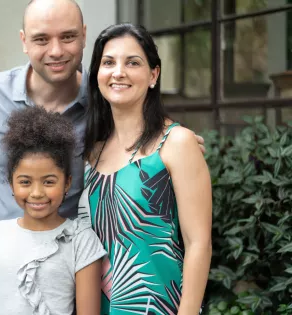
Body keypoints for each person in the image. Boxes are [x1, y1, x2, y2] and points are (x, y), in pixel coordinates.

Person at [0, 0, 205, 313]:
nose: (56, 51)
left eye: (67, 37)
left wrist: (178, 144)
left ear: (84, 36)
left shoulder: (103, 106)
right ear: (24, 41)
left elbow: (140, 128)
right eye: (42, 39)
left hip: (71, 286)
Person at [78, 23, 212, 314]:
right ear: (97, 75)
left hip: (162, 306)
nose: (118, 72)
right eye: (108, 62)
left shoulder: (177, 143)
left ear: (154, 75)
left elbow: (198, 243)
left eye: (133, 63)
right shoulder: (92, 153)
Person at [0, 106, 104, 315]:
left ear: (67, 183)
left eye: (49, 182)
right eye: (25, 182)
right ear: (11, 184)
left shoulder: (81, 240)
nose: (36, 193)